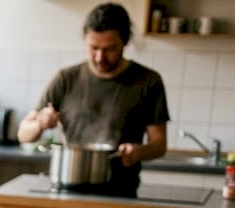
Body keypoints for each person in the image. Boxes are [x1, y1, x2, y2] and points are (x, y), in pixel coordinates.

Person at [16, 2, 169, 194]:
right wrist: (40, 122)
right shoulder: (66, 79)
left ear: (125, 41)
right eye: (93, 48)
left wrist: (138, 152)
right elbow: (23, 135)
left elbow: (159, 145)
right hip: (66, 187)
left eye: (109, 49)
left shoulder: (148, 82)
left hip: (120, 192)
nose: (99, 57)